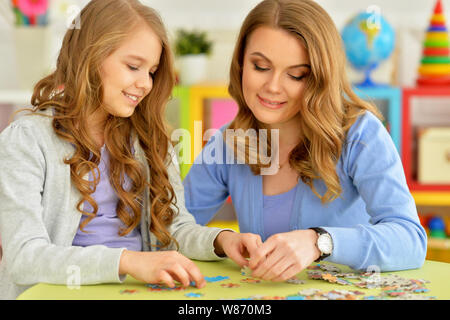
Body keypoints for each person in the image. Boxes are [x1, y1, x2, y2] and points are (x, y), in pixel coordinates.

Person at [0, 0, 260, 300]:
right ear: (89, 56)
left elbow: (174, 227)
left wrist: (221, 240)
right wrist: (130, 261)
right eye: (133, 66)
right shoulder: (26, 140)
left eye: (151, 71)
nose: (145, 84)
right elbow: (24, 256)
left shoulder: (147, 140)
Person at [183, 0, 427, 282]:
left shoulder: (360, 134)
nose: (273, 86)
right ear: (241, 64)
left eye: (297, 74)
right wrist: (220, 239)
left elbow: (410, 240)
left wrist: (319, 242)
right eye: (260, 66)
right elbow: (167, 230)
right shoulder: (229, 142)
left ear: (320, 78)